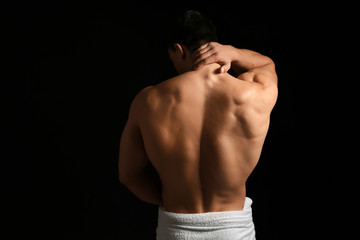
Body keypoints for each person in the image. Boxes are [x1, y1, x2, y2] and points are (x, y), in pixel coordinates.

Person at [118, 10, 278, 240]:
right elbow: (266, 64)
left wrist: (170, 198)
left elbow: (128, 175)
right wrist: (232, 52)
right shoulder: (254, 92)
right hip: (234, 230)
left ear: (178, 49)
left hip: (176, 229)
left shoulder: (148, 101)